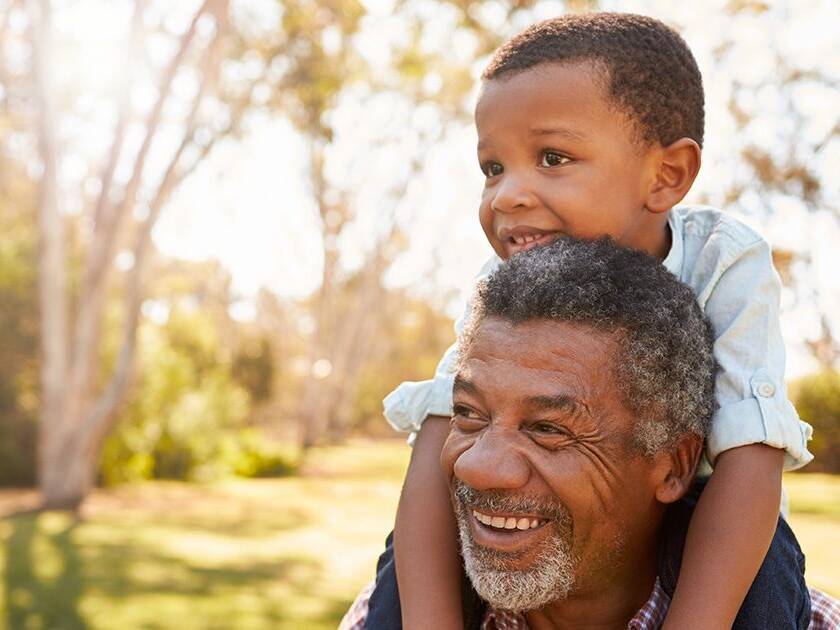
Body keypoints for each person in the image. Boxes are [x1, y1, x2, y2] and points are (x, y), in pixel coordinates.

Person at [372, 12, 815, 630]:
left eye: (551, 157)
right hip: (548, 537)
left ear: (667, 175)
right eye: (492, 168)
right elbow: (441, 431)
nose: (506, 196)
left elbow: (751, 452)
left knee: (765, 564)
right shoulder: (502, 286)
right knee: (412, 551)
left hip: (708, 522)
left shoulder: (722, 258)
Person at [341, 238, 839, 629]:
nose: (477, 466)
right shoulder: (385, 614)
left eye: (548, 428)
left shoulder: (806, 622)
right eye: (470, 415)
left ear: (674, 466)